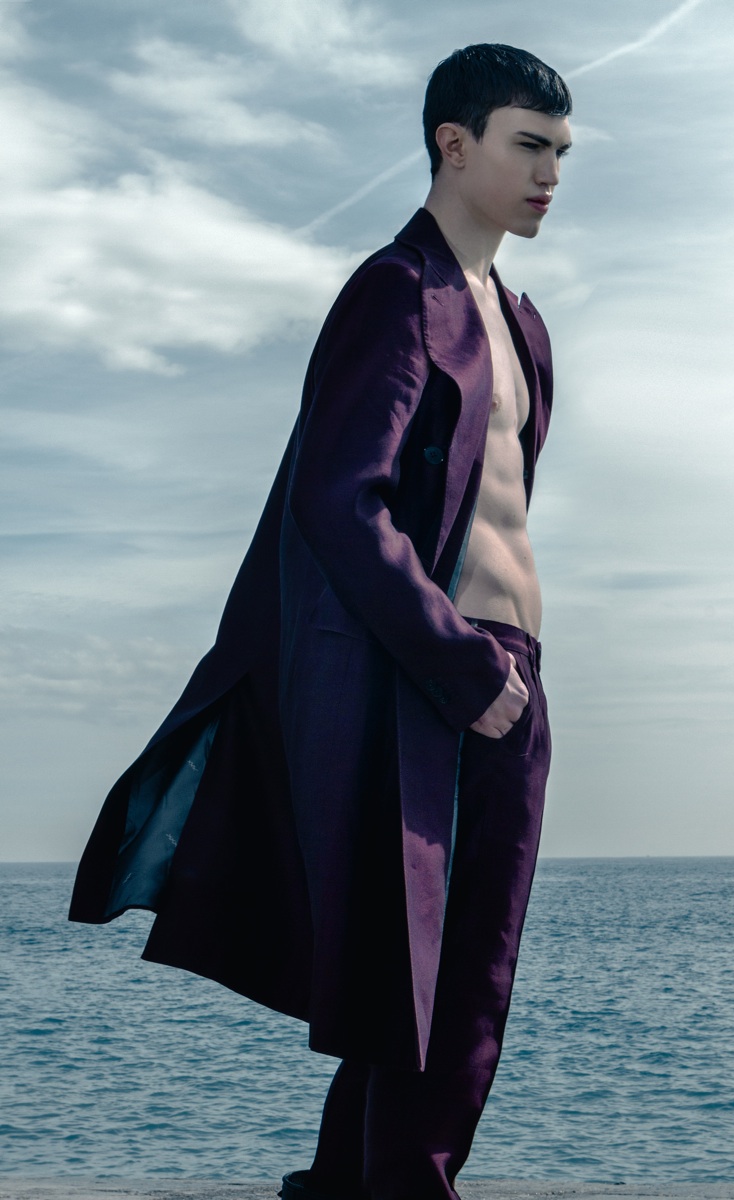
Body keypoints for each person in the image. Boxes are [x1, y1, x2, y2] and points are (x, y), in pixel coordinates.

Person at [69, 41, 572, 1200]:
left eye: (560, 152)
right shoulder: (396, 291)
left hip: (506, 673)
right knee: (441, 993)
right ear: (453, 145)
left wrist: (500, 675)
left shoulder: (520, 320)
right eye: (527, 146)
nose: (550, 175)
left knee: (445, 985)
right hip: (435, 673)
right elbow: (338, 500)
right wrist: (457, 668)